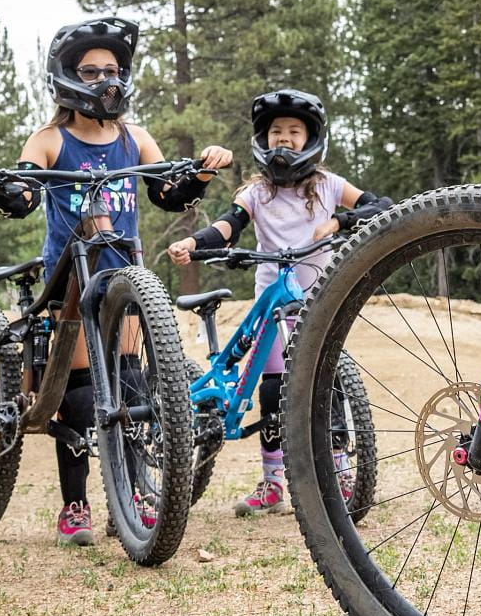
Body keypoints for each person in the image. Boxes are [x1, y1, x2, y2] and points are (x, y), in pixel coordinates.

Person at [0, 16, 231, 546]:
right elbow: (23, 194)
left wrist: (201, 171)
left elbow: (168, 193)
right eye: (91, 70)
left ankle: (127, 496)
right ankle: (75, 505)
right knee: (80, 398)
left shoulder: (135, 138)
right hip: (71, 280)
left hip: (125, 280)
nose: (104, 78)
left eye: (112, 69)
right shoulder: (50, 139)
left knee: (127, 386)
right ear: (67, 77)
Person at [163, 89, 392, 515]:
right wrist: (194, 242)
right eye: (275, 133)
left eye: (294, 132)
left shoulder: (328, 185)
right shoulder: (256, 192)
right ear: (263, 141)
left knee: (329, 382)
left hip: (319, 298)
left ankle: (341, 468)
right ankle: (272, 482)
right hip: (272, 300)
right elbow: (229, 227)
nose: (283, 140)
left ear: (311, 140)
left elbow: (381, 206)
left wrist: (339, 221)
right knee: (272, 387)